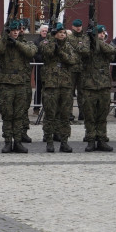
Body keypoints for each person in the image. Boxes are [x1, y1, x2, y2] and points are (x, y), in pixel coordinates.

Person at [0, 19, 36, 153]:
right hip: (6, 84)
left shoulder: (25, 43)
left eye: (17, 30)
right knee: (7, 114)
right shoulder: (3, 44)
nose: (16, 32)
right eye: (13, 30)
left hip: (21, 84)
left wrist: (16, 43)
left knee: (19, 114)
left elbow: (31, 52)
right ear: (9, 31)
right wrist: (5, 39)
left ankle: (17, 141)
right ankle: (7, 141)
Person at [37, 23, 79, 152]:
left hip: (66, 85)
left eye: (64, 33)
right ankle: (49, 141)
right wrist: (51, 40)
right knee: (50, 114)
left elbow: (73, 60)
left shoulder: (68, 46)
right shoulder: (46, 43)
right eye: (60, 32)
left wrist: (60, 51)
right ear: (55, 33)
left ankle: (64, 141)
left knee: (65, 115)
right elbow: (46, 52)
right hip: (51, 85)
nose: (62, 34)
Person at [78, 24, 116, 152]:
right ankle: (90, 140)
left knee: (102, 115)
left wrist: (97, 41)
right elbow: (82, 51)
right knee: (90, 116)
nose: (102, 35)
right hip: (89, 86)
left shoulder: (104, 45)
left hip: (104, 85)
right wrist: (90, 40)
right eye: (99, 33)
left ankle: (101, 139)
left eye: (103, 33)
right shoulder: (86, 44)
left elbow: (112, 52)